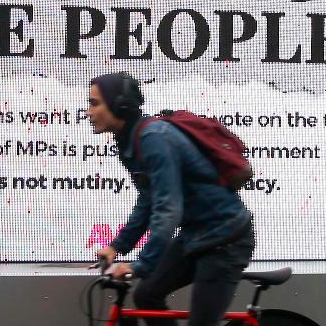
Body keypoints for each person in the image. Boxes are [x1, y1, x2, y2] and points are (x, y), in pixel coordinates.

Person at [88, 72, 254, 326]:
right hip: (195, 236)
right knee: (146, 296)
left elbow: (168, 210)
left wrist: (140, 265)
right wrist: (117, 247)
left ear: (119, 105)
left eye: (95, 103)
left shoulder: (154, 138)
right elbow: (148, 202)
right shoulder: (130, 142)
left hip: (226, 241)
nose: (88, 111)